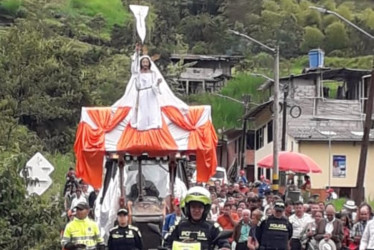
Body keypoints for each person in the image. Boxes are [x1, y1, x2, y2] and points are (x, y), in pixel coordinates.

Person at [164, 186, 231, 250]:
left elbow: (224, 243)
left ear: (205, 209)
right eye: (193, 207)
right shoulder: (179, 225)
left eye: (200, 207)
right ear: (188, 208)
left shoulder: (213, 227)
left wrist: (225, 247)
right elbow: (166, 243)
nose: (196, 210)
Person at [130, 43, 163, 131]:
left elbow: (155, 84)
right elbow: (134, 66)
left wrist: (157, 83)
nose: (145, 64)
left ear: (149, 63)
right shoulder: (138, 73)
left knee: (152, 109)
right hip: (142, 93)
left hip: (151, 94)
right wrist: (137, 52)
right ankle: (142, 125)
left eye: (146, 62)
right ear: (141, 63)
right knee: (143, 109)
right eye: (143, 62)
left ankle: (153, 124)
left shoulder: (153, 73)